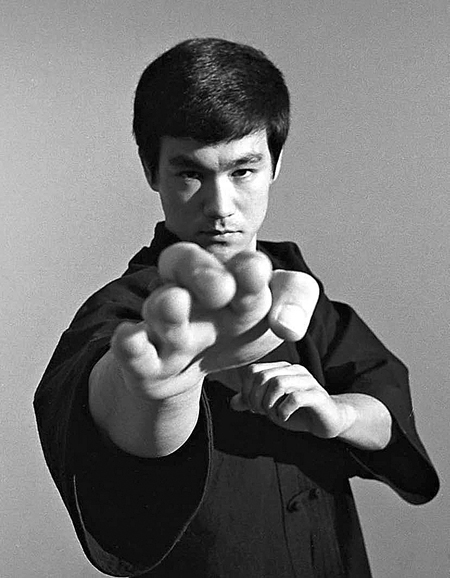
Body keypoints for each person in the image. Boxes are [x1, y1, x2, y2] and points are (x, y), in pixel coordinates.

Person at [34, 38, 439, 578]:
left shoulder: (298, 288)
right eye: (190, 173)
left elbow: (384, 403)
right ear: (151, 170)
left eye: (243, 171)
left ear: (275, 165)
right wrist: (160, 393)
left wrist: (339, 415)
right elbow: (107, 402)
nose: (220, 207)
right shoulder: (124, 313)